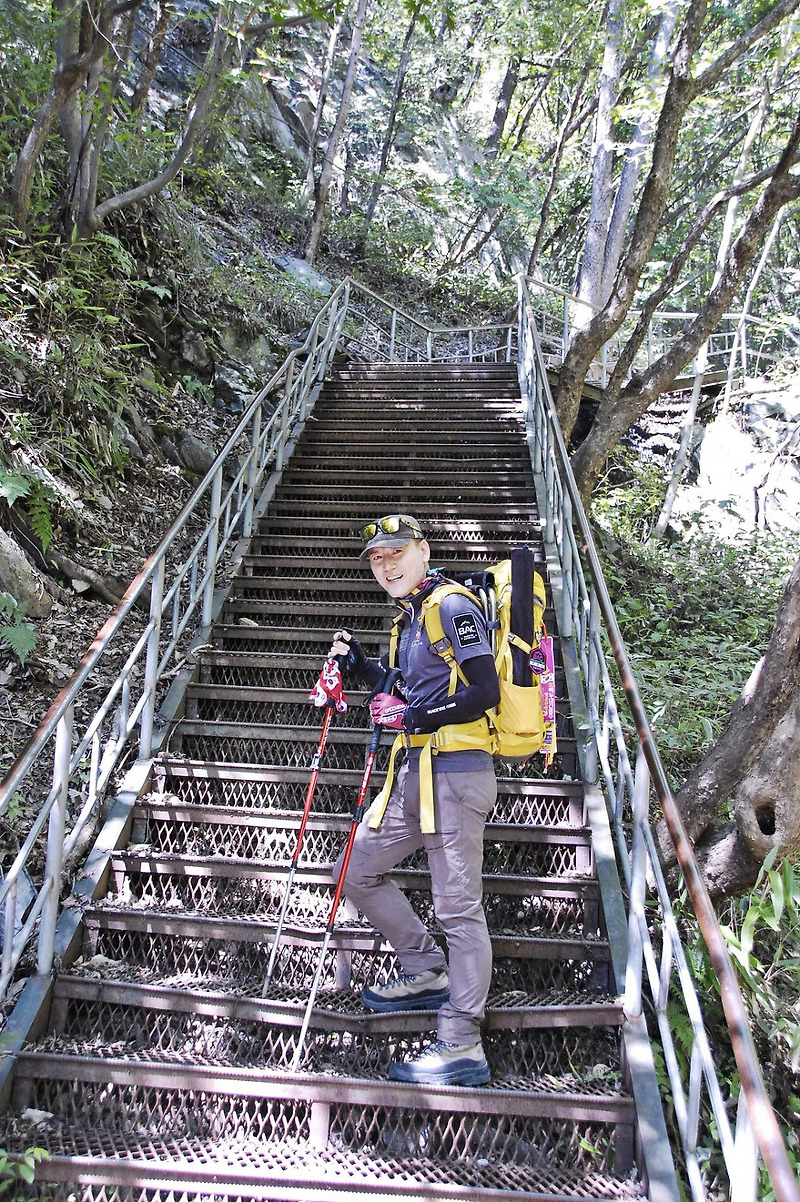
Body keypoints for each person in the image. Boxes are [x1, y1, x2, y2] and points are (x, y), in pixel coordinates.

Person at [328, 513, 500, 1086]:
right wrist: (359, 666)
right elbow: (404, 687)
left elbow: (484, 692)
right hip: (417, 778)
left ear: (423, 550)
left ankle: (462, 1044)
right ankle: (427, 971)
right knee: (354, 869)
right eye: (377, 558)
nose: (387, 565)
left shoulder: (452, 608)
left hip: (457, 774)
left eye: (396, 552)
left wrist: (414, 716)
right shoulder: (412, 618)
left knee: (458, 909)